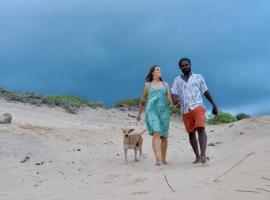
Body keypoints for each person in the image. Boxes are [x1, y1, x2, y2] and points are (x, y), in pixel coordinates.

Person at [171, 58, 218, 164]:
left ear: (190, 65)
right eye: (183, 66)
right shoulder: (177, 80)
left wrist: (214, 105)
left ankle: (203, 155)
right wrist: (174, 100)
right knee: (191, 133)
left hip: (198, 106)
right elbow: (173, 92)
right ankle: (197, 156)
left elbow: (205, 91)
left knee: (201, 129)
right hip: (185, 110)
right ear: (180, 68)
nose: (185, 67)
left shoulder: (198, 77)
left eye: (186, 65)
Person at [136, 65, 173, 166]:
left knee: (164, 136)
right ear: (152, 72)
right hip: (152, 111)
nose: (159, 71)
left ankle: (164, 159)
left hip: (164, 111)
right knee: (156, 132)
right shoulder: (147, 85)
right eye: (157, 69)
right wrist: (139, 113)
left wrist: (175, 103)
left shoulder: (166, 84)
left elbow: (169, 98)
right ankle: (158, 159)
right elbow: (143, 100)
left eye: (160, 70)